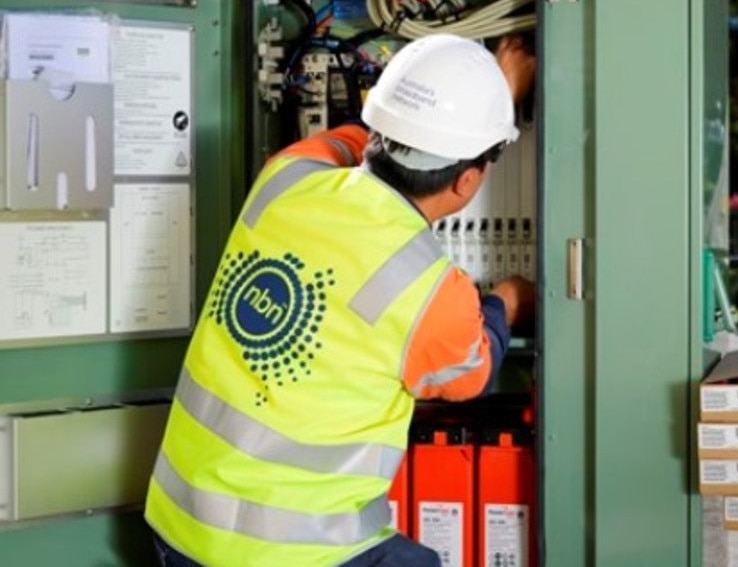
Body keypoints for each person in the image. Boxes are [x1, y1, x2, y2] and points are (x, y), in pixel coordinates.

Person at [145, 31, 536, 567]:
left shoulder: (287, 178)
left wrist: (473, 107)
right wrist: (508, 303)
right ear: (468, 182)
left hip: (179, 524)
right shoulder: (432, 288)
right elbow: (472, 373)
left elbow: (347, 142)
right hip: (289, 554)